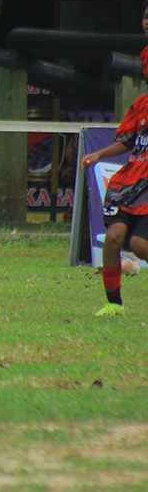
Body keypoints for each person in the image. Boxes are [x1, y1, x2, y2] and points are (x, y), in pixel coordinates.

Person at [80, 21, 148, 317]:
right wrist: (98, 154)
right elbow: (127, 141)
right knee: (113, 238)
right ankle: (113, 304)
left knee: (140, 245)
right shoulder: (141, 105)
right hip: (132, 184)